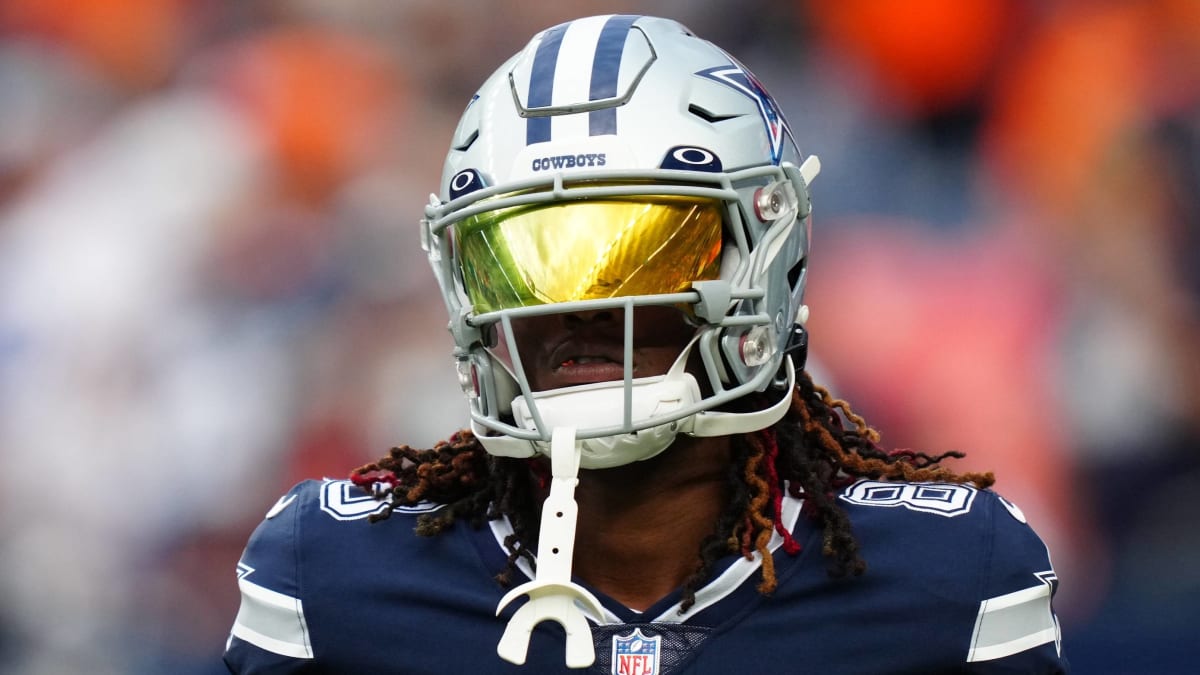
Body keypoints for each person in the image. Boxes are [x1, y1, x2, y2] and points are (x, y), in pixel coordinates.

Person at [223, 14, 1068, 674]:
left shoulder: (948, 583)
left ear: (764, 257)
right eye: (525, 258)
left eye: (645, 247)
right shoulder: (334, 581)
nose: (579, 304)